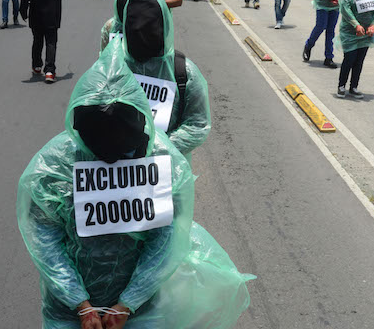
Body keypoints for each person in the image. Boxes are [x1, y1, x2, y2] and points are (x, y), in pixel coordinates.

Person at [16, 44, 252, 328]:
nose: (112, 158)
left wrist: (127, 302)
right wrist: (80, 303)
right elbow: (44, 239)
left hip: (139, 310)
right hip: (69, 312)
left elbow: (165, 240)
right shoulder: (55, 165)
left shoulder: (162, 161)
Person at [109, 0, 212, 162]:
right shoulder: (112, 68)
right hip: (120, 172)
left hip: (167, 173)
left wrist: (156, 150)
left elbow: (197, 124)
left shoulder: (183, 72)